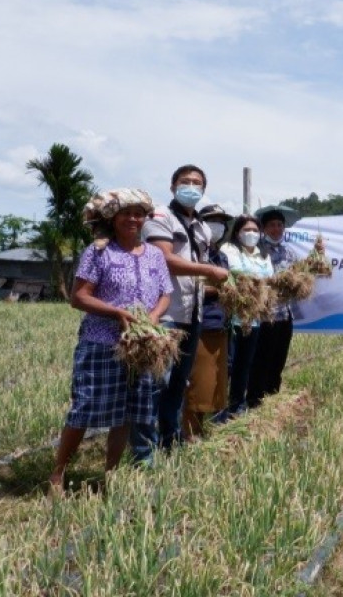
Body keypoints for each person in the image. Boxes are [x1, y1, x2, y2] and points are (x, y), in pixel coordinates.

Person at [49, 189, 173, 492]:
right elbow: (79, 298)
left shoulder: (155, 255)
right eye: (126, 213)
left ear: (145, 218)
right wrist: (117, 312)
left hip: (142, 347)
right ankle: (57, 473)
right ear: (113, 218)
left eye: (139, 213)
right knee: (85, 408)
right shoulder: (99, 251)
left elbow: (165, 293)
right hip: (102, 342)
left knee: (127, 413)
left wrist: (154, 316)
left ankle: (111, 474)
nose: (133, 218)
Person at [131, 165, 228, 463]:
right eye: (185, 182)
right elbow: (164, 259)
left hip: (192, 313)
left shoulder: (199, 226)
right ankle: (144, 455)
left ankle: (170, 443)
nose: (191, 187)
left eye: (197, 183)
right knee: (155, 385)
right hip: (167, 311)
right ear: (173, 187)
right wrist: (209, 270)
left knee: (177, 386)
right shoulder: (161, 216)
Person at [181, 204, 234, 439]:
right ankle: (189, 432)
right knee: (195, 381)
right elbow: (187, 285)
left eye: (222, 222)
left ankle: (199, 429)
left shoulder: (220, 256)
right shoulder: (193, 252)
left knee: (211, 381)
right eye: (212, 220)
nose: (218, 226)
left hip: (218, 323)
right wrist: (219, 289)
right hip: (198, 323)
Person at [220, 215, 274, 418]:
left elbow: (268, 279)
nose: (251, 234)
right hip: (231, 316)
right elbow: (227, 276)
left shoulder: (263, 255)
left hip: (253, 317)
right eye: (246, 230)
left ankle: (236, 405)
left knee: (245, 363)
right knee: (229, 364)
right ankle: (219, 407)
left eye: (254, 230)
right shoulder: (228, 250)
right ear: (237, 232)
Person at [247, 208, 298, 408]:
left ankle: (272, 397)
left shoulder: (289, 252)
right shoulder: (257, 251)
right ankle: (254, 401)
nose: (276, 229)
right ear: (263, 228)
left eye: (279, 225)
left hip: (285, 314)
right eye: (271, 225)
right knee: (261, 359)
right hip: (265, 314)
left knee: (279, 358)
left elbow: (296, 279)